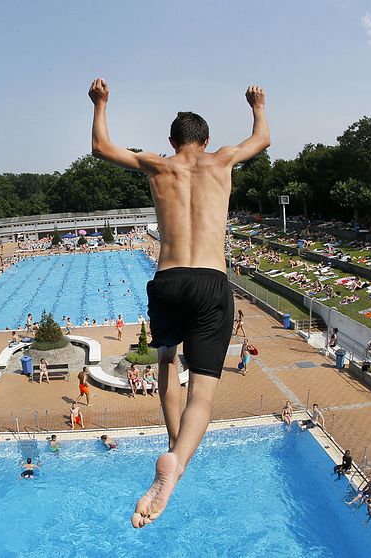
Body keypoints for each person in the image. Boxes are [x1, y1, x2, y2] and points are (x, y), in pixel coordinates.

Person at [90, 77, 270, 528]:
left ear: (171, 142)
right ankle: (177, 462)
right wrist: (257, 106)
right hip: (211, 279)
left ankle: (174, 450)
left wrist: (101, 103)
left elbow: (101, 147)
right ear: (205, 140)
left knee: (167, 363)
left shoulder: (156, 164)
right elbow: (263, 139)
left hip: (168, 278)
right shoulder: (223, 158)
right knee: (204, 391)